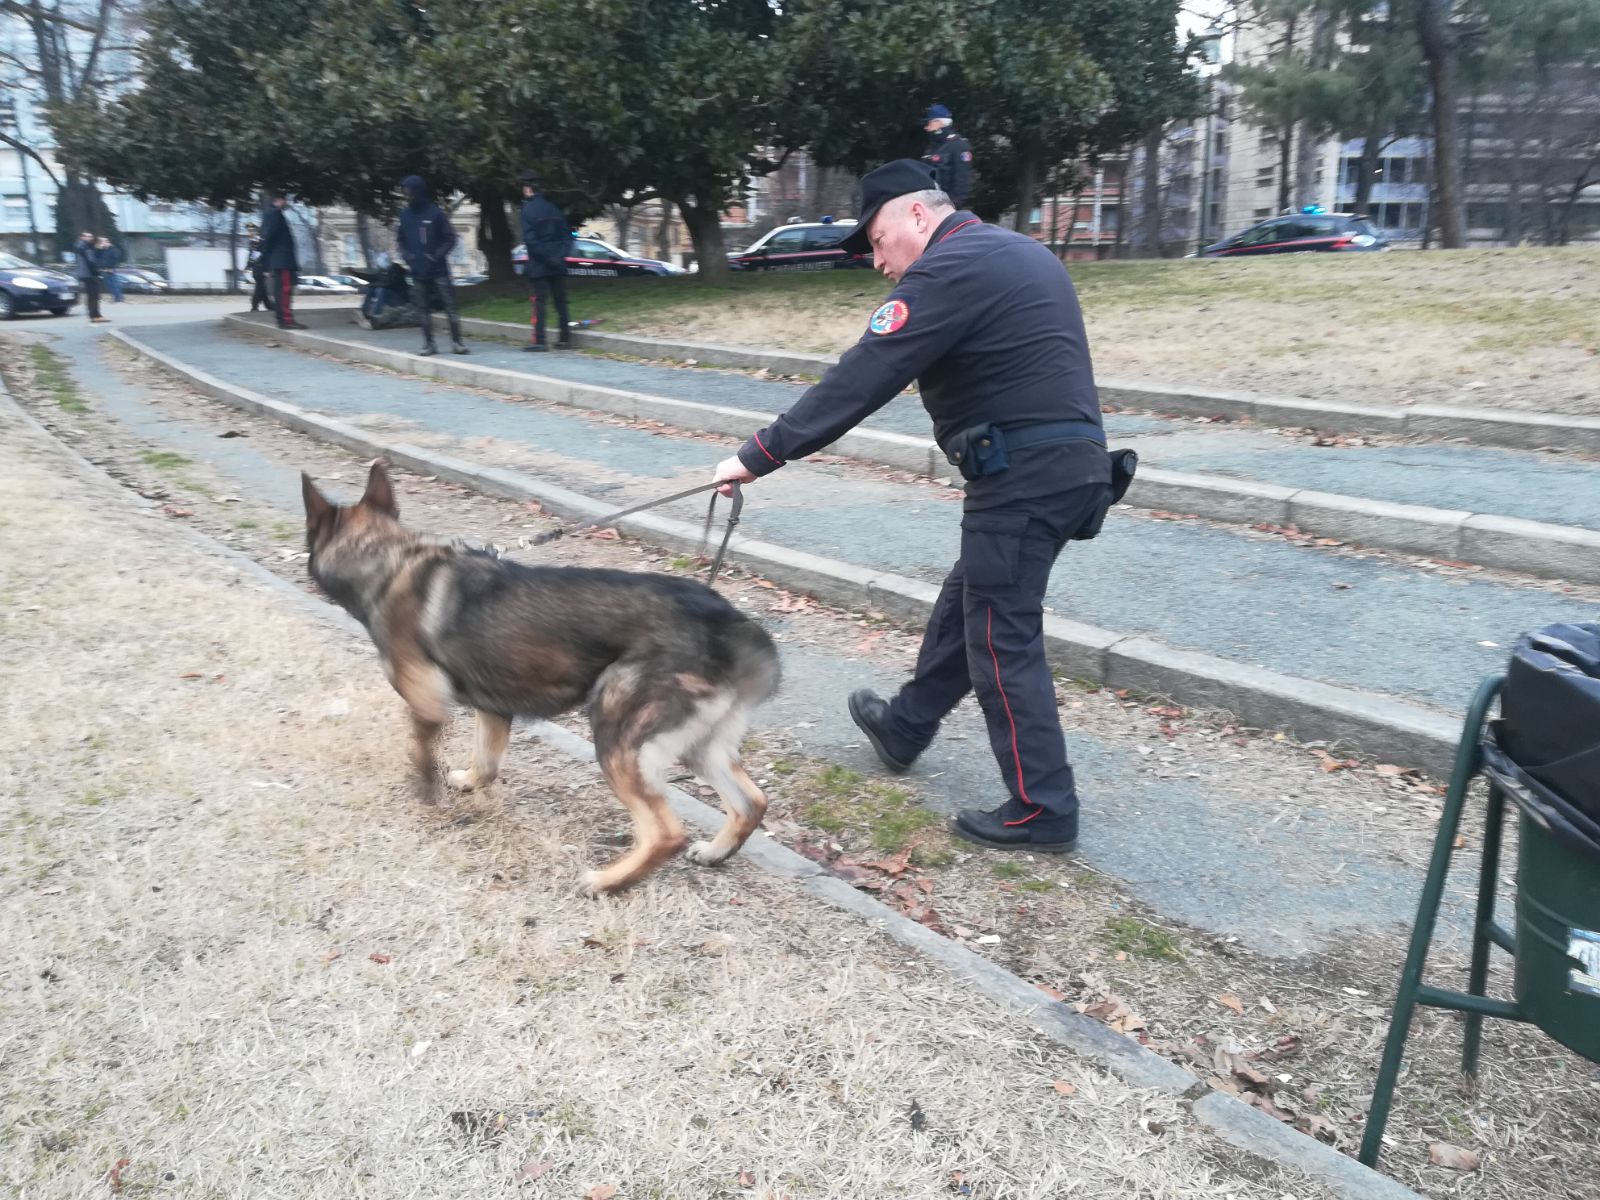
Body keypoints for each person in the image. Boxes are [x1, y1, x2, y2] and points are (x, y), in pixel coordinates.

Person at [711, 160, 1112, 853]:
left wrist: (758, 455)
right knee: (972, 604)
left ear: (917, 217)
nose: (878, 261)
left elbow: (863, 375)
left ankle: (1045, 806)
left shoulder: (951, 268)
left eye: (877, 240)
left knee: (999, 635)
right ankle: (905, 725)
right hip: (1069, 466)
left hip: (1021, 476)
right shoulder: (1014, 250)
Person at [394, 174, 468, 356]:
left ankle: (457, 342)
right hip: (417, 270)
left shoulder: (435, 213)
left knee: (450, 307)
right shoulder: (405, 216)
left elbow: (450, 238)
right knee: (422, 309)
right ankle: (429, 344)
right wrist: (407, 256)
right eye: (404, 192)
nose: (406, 195)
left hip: (438, 270)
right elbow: (400, 240)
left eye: (409, 191)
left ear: (417, 191)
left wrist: (436, 256)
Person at [517, 171, 572, 352]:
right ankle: (565, 338)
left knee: (539, 302)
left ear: (528, 189)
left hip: (540, 264)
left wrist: (547, 259)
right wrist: (559, 257)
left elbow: (531, 242)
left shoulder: (527, 211)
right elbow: (567, 236)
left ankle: (540, 341)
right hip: (558, 262)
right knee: (561, 302)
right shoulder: (554, 209)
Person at [258, 191, 306, 330]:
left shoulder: (269, 214)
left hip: (279, 259)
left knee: (282, 291)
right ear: (279, 200)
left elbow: (266, 237)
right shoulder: (275, 214)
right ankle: (286, 320)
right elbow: (269, 237)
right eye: (284, 200)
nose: (286, 203)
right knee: (284, 291)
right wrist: (266, 261)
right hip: (283, 259)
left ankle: (283, 319)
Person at [920, 104, 973, 209]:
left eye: (928, 123)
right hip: (929, 205)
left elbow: (962, 181)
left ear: (938, 122)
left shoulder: (959, 146)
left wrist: (951, 207)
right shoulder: (932, 148)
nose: (926, 128)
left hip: (947, 208)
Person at [73, 230, 108, 324]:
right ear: (82, 237)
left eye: (91, 236)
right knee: (93, 295)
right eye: (87, 236)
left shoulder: (84, 246)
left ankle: (96, 314)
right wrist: (96, 271)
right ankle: (94, 315)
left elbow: (94, 258)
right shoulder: (83, 246)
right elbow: (91, 261)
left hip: (88, 273)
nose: (90, 238)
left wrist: (99, 249)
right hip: (89, 274)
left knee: (94, 295)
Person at [245, 222, 274, 313]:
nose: (249, 233)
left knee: (259, 287)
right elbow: (252, 256)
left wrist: (267, 269)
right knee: (261, 287)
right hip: (256, 268)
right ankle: (269, 305)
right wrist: (248, 266)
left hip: (261, 268)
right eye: (249, 231)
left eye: (251, 231)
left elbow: (265, 256)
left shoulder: (258, 241)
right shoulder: (253, 241)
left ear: (256, 231)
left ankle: (254, 305)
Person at [96, 237, 124, 302]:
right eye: (101, 242)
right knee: (109, 285)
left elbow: (115, 259)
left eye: (103, 242)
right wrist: (99, 249)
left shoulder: (113, 249)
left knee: (114, 283)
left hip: (111, 269)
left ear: (107, 242)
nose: (102, 243)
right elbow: (98, 257)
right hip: (104, 269)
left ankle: (119, 298)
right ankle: (115, 297)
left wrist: (110, 268)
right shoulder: (104, 250)